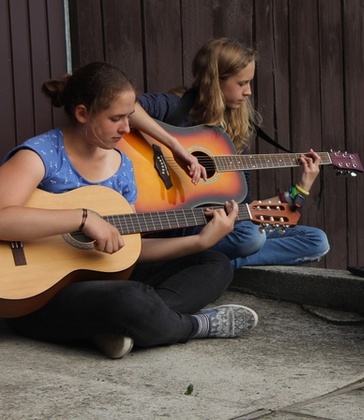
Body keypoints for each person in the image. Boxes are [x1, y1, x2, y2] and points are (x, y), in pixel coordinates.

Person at [0, 62, 258, 359]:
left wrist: (199, 241)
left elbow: (130, 247)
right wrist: (82, 218)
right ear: (83, 113)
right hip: (40, 297)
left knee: (214, 264)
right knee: (129, 299)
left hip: (104, 281)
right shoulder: (41, 155)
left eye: (128, 117)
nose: (126, 128)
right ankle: (191, 326)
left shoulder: (122, 166)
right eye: (116, 119)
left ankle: (122, 326)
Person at [132, 38, 329, 269]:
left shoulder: (233, 140)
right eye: (242, 83)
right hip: (170, 222)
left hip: (209, 223)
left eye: (249, 83)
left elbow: (243, 209)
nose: (248, 92)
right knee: (251, 237)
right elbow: (125, 106)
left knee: (316, 241)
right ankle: (203, 259)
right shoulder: (174, 107)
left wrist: (300, 188)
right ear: (215, 81)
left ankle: (209, 261)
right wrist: (175, 146)